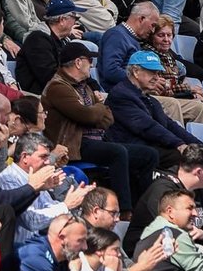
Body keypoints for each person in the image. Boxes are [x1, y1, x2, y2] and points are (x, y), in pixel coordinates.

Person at [43, 43, 157, 213]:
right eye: (89, 60)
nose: (92, 64)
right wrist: (97, 109)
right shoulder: (57, 87)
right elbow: (88, 116)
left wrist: (96, 111)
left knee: (149, 155)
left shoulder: (85, 86)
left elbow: (108, 118)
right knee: (117, 152)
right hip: (72, 144)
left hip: (94, 139)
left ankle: (145, 209)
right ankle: (125, 210)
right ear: (78, 62)